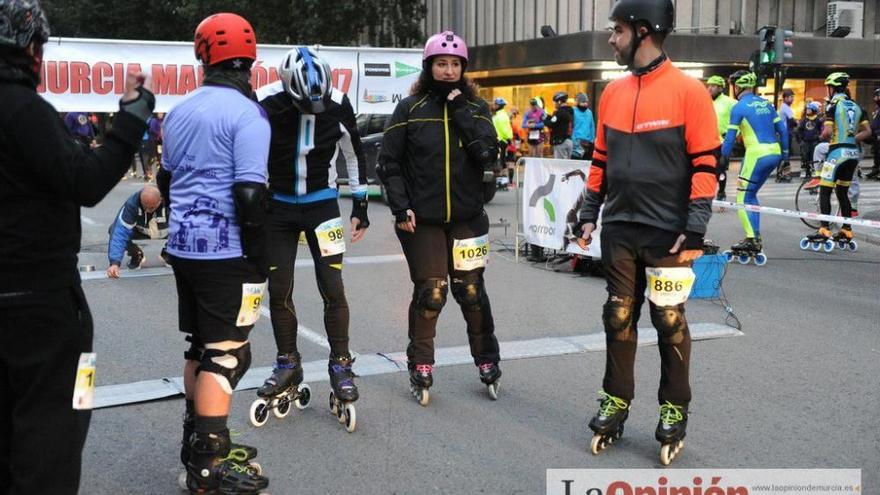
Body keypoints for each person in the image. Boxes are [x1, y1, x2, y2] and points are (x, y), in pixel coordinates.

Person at [0, 1, 155, 492]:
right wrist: (131, 118)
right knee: (58, 428)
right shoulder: (22, 108)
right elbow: (85, 180)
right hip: (41, 302)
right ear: (28, 48)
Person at [575, 0, 718, 465]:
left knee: (668, 320)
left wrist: (694, 229)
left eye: (616, 31)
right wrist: (588, 211)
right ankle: (616, 400)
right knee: (618, 316)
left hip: (668, 233)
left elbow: (706, 165)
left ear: (643, 31)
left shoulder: (689, 91)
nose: (611, 39)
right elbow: (601, 161)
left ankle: (674, 408)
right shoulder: (612, 94)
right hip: (619, 227)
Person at [158, 12, 270, 493]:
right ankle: (207, 467)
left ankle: (196, 443)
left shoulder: (179, 111)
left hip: (184, 247)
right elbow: (249, 193)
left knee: (201, 347)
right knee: (227, 356)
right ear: (250, 60)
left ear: (202, 57)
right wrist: (260, 254)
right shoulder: (248, 113)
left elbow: (165, 181)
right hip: (227, 251)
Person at [377, 30, 502, 406]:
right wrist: (401, 207)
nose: (448, 70)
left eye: (454, 64)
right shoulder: (410, 107)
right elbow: (389, 163)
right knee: (432, 292)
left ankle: (487, 360)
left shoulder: (477, 109)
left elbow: (487, 156)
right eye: (441, 63)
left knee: (470, 290)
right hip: (423, 220)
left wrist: (460, 109)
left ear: (463, 69)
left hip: (467, 218)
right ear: (429, 66)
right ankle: (421, 364)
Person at [254, 46, 369, 424]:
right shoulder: (266, 102)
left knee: (332, 287)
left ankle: (340, 363)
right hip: (279, 206)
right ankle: (288, 361)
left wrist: (361, 206)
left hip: (322, 205)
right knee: (278, 288)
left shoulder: (338, 102)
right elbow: (248, 153)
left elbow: (353, 154)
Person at [720, 70, 787, 260]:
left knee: (742, 197)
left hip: (756, 154)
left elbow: (730, 140)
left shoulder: (739, 106)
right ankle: (754, 235)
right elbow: (782, 130)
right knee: (751, 195)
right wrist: (786, 156)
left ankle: (752, 239)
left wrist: (722, 158)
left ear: (737, 86)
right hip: (774, 152)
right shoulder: (767, 103)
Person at [802, 72, 871, 248]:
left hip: (836, 154)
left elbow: (826, 132)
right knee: (842, 192)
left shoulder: (832, 105)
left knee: (825, 190)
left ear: (832, 88)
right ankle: (847, 229)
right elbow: (868, 132)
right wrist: (852, 138)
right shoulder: (857, 106)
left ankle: (824, 228)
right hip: (852, 155)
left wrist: (822, 136)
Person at [106, 185, 170, 277]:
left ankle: (170, 252)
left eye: (151, 207)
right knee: (113, 229)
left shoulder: (172, 201)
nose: (147, 210)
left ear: (160, 200)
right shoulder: (132, 204)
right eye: (145, 206)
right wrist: (114, 263)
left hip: (167, 230)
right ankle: (136, 254)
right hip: (141, 231)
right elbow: (120, 232)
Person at [706, 75, 736, 200]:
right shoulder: (705, 100)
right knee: (707, 170)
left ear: (720, 88)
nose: (709, 88)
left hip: (723, 142)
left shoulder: (730, 102)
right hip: (706, 141)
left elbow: (738, 120)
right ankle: (706, 193)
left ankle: (721, 193)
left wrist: (732, 135)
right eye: (709, 86)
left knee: (720, 169)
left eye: (713, 86)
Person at [796, 102, 822, 181]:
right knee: (804, 157)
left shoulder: (818, 121)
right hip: (805, 142)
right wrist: (800, 140)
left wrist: (818, 138)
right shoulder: (804, 120)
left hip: (814, 142)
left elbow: (820, 130)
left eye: (809, 109)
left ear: (814, 110)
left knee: (813, 157)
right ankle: (804, 171)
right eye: (807, 109)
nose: (807, 111)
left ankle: (813, 171)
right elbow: (799, 130)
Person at [492, 96, 514, 188]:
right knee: (501, 160)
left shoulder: (500, 116)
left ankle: (502, 181)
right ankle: (501, 181)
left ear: (499, 105)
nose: (494, 105)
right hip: (501, 140)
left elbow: (505, 129)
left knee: (501, 161)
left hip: (501, 140)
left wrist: (508, 138)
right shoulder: (500, 115)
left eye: (495, 104)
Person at [544, 91, 574, 159]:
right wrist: (549, 117)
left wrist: (544, 120)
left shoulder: (560, 112)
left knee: (560, 165)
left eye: (555, 102)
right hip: (569, 140)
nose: (554, 104)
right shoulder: (570, 111)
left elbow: (551, 123)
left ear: (559, 102)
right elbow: (559, 121)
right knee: (567, 165)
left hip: (560, 142)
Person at [776, 88, 796, 182]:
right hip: (785, 134)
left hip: (783, 133)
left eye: (792, 97)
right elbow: (792, 121)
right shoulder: (785, 107)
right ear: (785, 98)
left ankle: (781, 174)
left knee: (784, 154)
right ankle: (784, 175)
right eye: (790, 97)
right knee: (785, 154)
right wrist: (797, 124)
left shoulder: (783, 107)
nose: (792, 99)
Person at [571, 92, 595, 160]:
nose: (585, 104)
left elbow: (592, 126)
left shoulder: (589, 112)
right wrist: (574, 141)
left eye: (586, 102)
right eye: (583, 102)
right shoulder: (573, 111)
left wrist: (592, 140)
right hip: (576, 142)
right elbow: (571, 126)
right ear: (578, 102)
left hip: (588, 143)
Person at [868, 88, 880, 181]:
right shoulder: (877, 108)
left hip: (878, 134)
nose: (874, 98)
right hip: (875, 135)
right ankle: (876, 170)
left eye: (876, 96)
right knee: (876, 153)